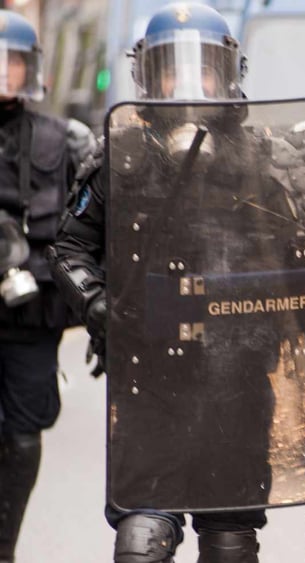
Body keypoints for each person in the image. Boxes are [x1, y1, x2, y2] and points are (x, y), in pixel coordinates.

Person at [48, 4, 274, 561]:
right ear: (149, 77)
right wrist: (97, 303)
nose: (191, 85)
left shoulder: (263, 158)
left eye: (205, 70)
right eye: (174, 71)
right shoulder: (118, 157)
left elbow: (302, 258)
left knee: (229, 543)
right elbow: (70, 249)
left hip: (237, 378)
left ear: (229, 75)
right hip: (150, 376)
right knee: (142, 540)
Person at [0, 9, 94, 562]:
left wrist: (105, 314)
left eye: (10, 62)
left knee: (22, 435)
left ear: (28, 68)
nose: (2, 72)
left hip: (31, 317)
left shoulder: (67, 142)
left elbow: (93, 234)